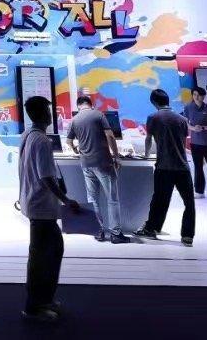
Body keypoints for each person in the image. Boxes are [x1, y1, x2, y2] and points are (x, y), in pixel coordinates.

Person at [18, 95, 81, 323]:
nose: (50, 113)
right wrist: (66, 200)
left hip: (34, 204)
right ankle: (34, 306)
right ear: (42, 113)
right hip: (42, 207)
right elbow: (46, 177)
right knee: (44, 257)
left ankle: (43, 300)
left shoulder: (28, 135)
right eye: (47, 109)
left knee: (46, 253)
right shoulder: (42, 141)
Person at [136, 89, 195, 245]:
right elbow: (182, 142)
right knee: (189, 203)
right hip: (182, 167)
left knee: (159, 200)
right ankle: (187, 236)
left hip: (164, 166)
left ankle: (152, 229)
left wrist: (146, 154)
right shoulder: (182, 120)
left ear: (154, 102)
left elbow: (149, 139)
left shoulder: (153, 118)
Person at [67, 94, 127, 243]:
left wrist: (76, 149)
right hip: (103, 162)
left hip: (86, 164)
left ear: (79, 106)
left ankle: (98, 231)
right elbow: (110, 136)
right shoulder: (99, 115)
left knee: (92, 198)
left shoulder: (74, 120)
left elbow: (69, 141)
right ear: (90, 103)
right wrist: (116, 156)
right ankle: (115, 234)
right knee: (112, 199)